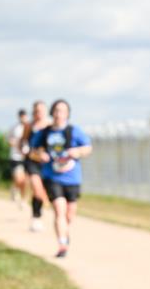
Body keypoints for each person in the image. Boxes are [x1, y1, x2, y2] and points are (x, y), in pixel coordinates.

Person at [31, 99, 92, 258]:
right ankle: (62, 244)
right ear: (52, 112)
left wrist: (77, 152)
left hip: (72, 178)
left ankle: (64, 232)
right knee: (59, 210)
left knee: (69, 215)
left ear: (67, 114)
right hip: (52, 177)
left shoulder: (74, 131)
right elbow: (32, 151)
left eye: (62, 111)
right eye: (56, 110)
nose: (59, 114)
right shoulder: (44, 132)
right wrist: (39, 155)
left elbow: (88, 148)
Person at [23, 101, 52, 231]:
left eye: (41, 110)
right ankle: (36, 217)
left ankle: (37, 214)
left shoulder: (50, 125)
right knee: (37, 188)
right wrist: (25, 149)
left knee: (42, 191)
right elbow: (23, 142)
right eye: (36, 111)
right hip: (32, 161)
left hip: (47, 163)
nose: (39, 113)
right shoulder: (29, 126)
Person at [8, 109, 29, 208]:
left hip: (27, 156)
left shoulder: (29, 127)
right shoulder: (14, 128)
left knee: (25, 180)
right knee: (18, 178)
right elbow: (9, 140)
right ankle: (15, 187)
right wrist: (15, 144)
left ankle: (23, 199)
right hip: (16, 156)